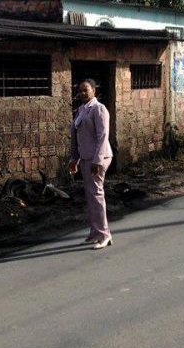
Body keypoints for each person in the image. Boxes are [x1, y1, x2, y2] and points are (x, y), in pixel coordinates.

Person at [68, 79, 114, 250]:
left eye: (86, 90)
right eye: (80, 90)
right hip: (86, 157)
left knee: (96, 194)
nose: (82, 93)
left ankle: (104, 234)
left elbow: (103, 137)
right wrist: (74, 159)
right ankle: (95, 232)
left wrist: (97, 161)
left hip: (99, 157)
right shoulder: (81, 110)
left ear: (94, 90)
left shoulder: (99, 109)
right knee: (90, 195)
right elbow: (76, 136)